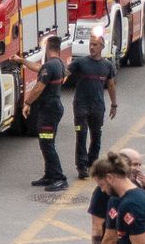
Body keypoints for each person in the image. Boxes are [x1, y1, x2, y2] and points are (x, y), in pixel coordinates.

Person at [21, 37, 69, 192]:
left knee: (47, 144)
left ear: (48, 48)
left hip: (49, 111)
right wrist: (22, 61)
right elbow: (39, 68)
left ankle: (59, 178)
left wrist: (27, 103)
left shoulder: (50, 65)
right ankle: (49, 175)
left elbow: (38, 88)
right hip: (52, 109)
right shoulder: (58, 64)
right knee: (46, 143)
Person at [67, 34, 117, 180]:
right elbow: (64, 73)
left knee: (96, 136)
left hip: (97, 107)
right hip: (81, 106)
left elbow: (111, 85)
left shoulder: (107, 65)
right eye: (91, 44)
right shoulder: (81, 63)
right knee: (81, 136)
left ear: (102, 47)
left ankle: (92, 163)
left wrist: (114, 105)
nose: (92, 47)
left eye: (95, 44)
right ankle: (81, 166)